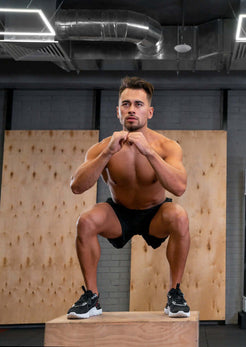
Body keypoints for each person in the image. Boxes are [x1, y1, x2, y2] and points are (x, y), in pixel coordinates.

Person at [67, 76, 190, 319]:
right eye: (126, 104)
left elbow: (179, 188)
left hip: (155, 214)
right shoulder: (103, 147)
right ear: (118, 111)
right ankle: (92, 298)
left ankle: (175, 294)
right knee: (86, 221)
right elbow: (76, 186)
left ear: (150, 112)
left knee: (179, 216)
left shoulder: (167, 146)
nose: (131, 109)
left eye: (138, 104)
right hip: (119, 213)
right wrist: (107, 153)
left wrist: (148, 152)